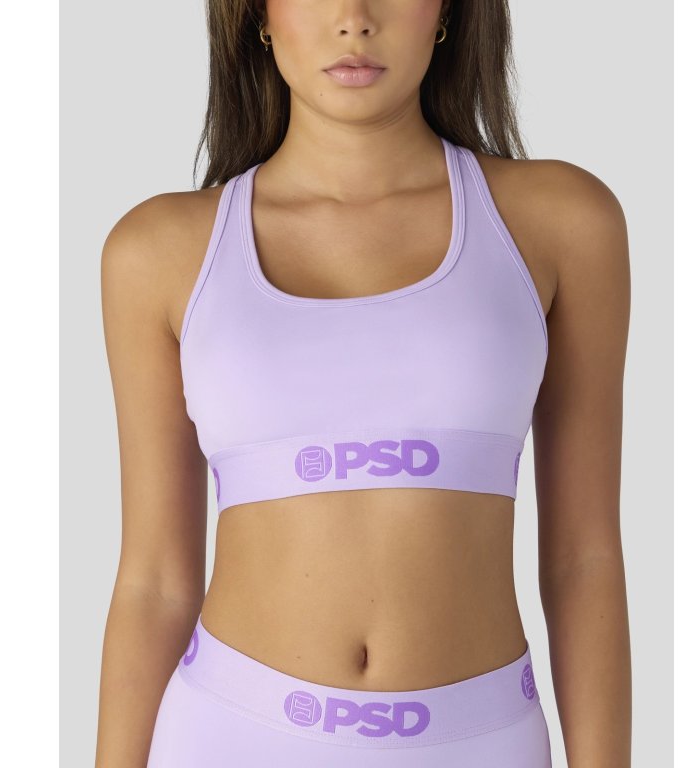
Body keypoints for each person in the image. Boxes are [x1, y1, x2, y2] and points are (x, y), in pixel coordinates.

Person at [96, 1, 631, 766]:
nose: (354, 18)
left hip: (479, 744)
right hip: (228, 735)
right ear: (258, 15)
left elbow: (585, 558)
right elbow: (154, 582)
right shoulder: (157, 251)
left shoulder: (562, 222)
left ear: (445, 11)